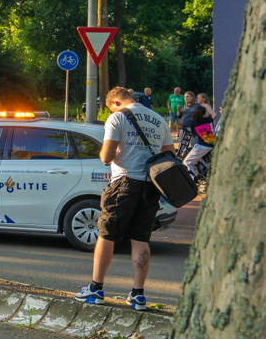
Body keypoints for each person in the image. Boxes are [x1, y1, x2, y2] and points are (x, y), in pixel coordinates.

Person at [76, 87, 175, 311]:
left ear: (115, 103)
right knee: (141, 238)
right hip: (150, 186)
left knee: (107, 233)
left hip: (124, 183)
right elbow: (170, 156)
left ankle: (96, 289)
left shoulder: (117, 118)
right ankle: (138, 295)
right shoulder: (159, 119)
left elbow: (106, 157)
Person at [182, 93, 215, 175]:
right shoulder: (208, 120)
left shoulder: (193, 123)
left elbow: (194, 134)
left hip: (203, 145)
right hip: (211, 144)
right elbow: (213, 117)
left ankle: (193, 176)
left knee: (187, 162)